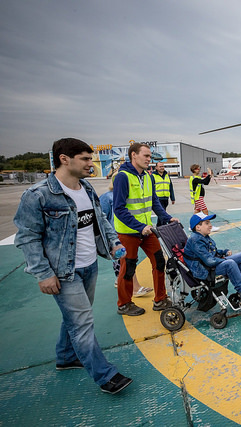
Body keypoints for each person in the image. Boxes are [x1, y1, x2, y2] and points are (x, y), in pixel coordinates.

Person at [14, 138, 132, 394]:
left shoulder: (86, 189)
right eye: (86, 159)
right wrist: (43, 274)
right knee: (82, 323)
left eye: (91, 158)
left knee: (76, 316)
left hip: (89, 265)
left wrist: (112, 243)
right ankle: (105, 375)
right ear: (64, 159)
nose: (92, 163)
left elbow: (99, 220)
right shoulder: (38, 195)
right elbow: (27, 238)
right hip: (63, 271)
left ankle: (66, 356)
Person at [113, 143, 178, 316]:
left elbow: (154, 202)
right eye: (146, 156)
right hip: (129, 232)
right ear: (133, 155)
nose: (149, 160)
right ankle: (124, 304)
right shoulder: (122, 177)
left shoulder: (148, 177)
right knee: (128, 268)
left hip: (148, 231)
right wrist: (139, 227)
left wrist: (166, 217)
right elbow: (118, 209)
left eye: (150, 157)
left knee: (159, 261)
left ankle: (160, 299)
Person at [184, 212, 241, 306]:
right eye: (207, 223)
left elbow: (212, 251)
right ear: (198, 227)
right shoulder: (196, 240)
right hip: (204, 270)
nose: (210, 226)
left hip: (208, 265)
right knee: (230, 263)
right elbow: (209, 261)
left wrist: (223, 252)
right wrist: (225, 260)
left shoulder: (203, 236)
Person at [99, 178, 152, 297]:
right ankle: (134, 287)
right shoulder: (107, 197)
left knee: (124, 261)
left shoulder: (129, 196)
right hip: (116, 233)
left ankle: (121, 281)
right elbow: (102, 216)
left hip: (129, 231)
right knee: (125, 260)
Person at [152, 162, 175, 226]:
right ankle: (163, 227)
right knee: (162, 213)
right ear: (156, 168)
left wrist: (172, 198)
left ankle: (159, 226)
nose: (162, 168)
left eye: (163, 166)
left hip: (165, 198)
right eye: (160, 166)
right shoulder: (153, 176)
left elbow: (170, 187)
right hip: (158, 199)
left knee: (162, 213)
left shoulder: (167, 176)